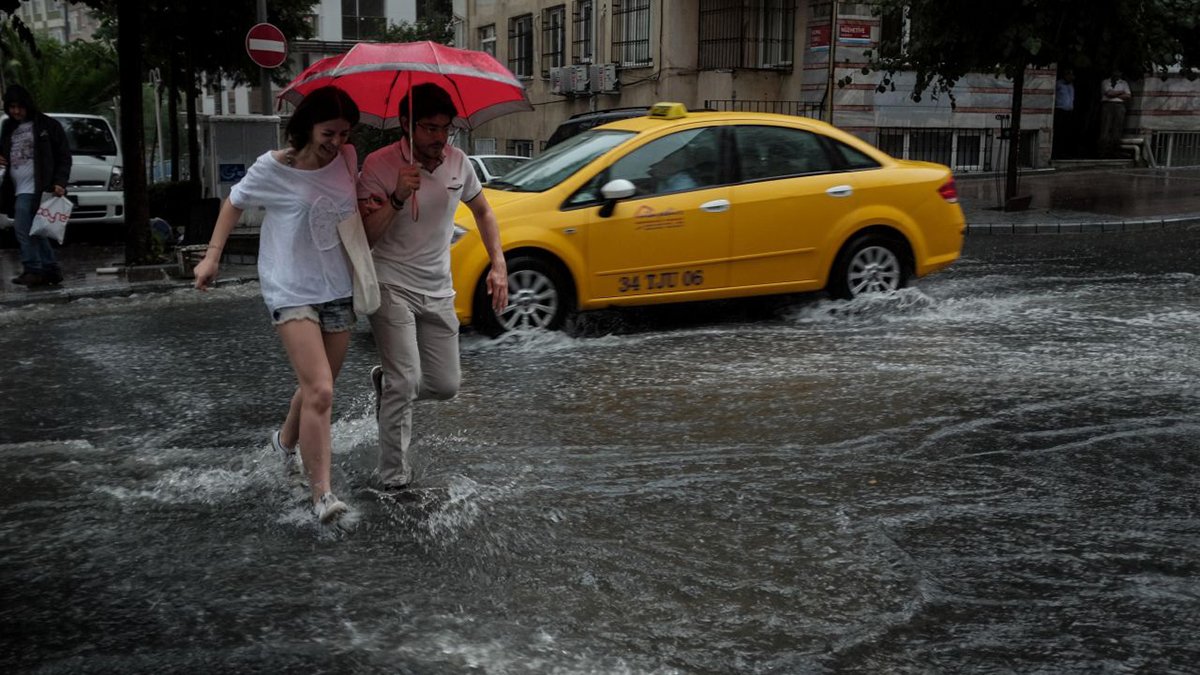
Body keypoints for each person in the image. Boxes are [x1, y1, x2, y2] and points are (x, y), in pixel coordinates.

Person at [193, 85, 363, 525]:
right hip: (290, 289)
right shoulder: (274, 167)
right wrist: (212, 256)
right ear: (307, 126)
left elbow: (347, 211)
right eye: (329, 132)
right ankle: (322, 495)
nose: (337, 143)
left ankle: (284, 444)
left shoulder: (347, 159)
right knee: (321, 390)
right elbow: (233, 203)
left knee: (316, 388)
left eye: (345, 133)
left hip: (338, 286)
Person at [356, 83, 508, 492]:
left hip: (438, 288)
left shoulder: (459, 163)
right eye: (428, 128)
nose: (439, 137)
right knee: (405, 381)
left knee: (444, 386)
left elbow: (484, 212)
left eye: (446, 128)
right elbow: (365, 236)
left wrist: (499, 264)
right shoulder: (378, 166)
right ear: (407, 126)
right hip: (390, 283)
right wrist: (398, 197)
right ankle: (393, 481)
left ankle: (387, 385)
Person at [0, 85, 71, 288]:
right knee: (36, 230)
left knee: (23, 228)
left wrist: (60, 182)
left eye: (19, 107)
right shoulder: (8, 127)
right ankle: (50, 269)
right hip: (15, 186)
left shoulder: (47, 126)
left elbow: (64, 157)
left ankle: (33, 269)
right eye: (11, 107)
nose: (16, 111)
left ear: (27, 105)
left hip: (37, 188)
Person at [1098, 69, 1132, 158]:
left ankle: (1114, 151)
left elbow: (1128, 95)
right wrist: (1121, 92)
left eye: (1119, 72)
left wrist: (1114, 94)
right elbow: (1109, 93)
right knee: (1106, 127)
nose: (1117, 73)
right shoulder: (1105, 82)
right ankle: (1103, 151)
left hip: (1119, 105)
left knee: (1117, 128)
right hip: (1107, 105)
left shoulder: (1124, 83)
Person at [1053, 69, 1076, 158]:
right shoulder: (1058, 84)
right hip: (1060, 111)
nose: (1071, 77)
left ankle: (1065, 151)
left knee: (1067, 132)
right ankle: (1057, 152)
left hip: (1069, 111)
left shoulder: (1071, 85)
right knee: (1059, 132)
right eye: (1069, 75)